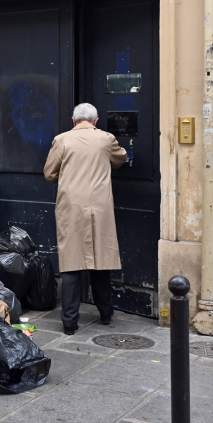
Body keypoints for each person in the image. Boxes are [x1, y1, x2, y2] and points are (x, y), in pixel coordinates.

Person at [43, 103, 127, 335]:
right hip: (99, 206)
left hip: (72, 207)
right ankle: (106, 313)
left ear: (73, 121)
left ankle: (69, 322)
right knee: (101, 258)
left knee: (72, 262)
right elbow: (120, 159)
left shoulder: (61, 140)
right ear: (96, 121)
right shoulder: (106, 139)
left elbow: (49, 174)